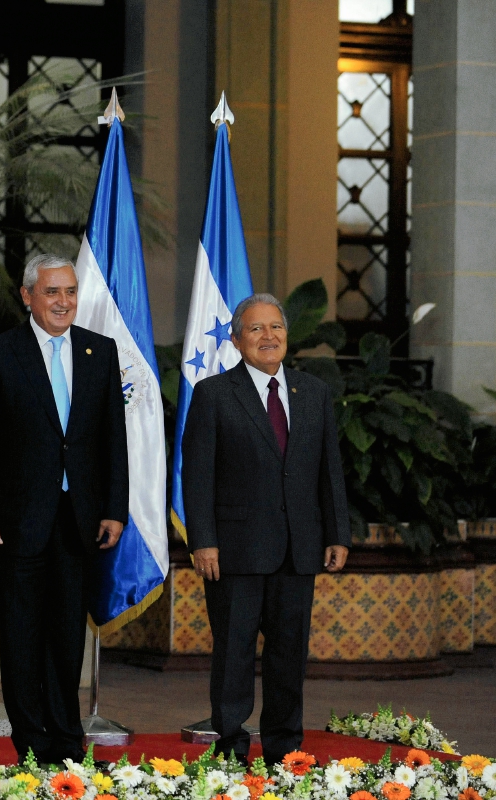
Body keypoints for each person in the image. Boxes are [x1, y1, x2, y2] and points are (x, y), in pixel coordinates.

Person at [0, 254, 129, 764]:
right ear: (29, 296)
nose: (63, 302)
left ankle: (67, 739)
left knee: (65, 636)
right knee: (22, 637)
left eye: (70, 292)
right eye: (52, 292)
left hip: (79, 522)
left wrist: (114, 508)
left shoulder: (101, 352)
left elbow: (112, 442)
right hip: (14, 524)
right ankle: (31, 742)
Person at [182, 293, 350, 764]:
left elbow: (328, 471)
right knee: (234, 655)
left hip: (299, 549)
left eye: (276, 327)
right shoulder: (213, 394)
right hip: (234, 550)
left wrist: (337, 533)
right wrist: (204, 540)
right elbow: (197, 475)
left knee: (288, 657)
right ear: (236, 340)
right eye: (256, 329)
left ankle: (285, 752)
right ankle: (232, 751)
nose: (268, 336)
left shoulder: (312, 393)